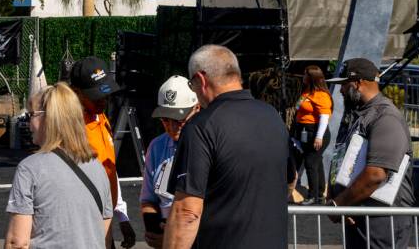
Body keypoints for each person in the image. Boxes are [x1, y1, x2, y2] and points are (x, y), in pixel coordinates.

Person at [163, 45, 288, 249]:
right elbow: (290, 181)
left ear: (201, 80)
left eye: (191, 84)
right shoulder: (272, 117)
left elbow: (187, 212)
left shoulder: (201, 126)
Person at [5, 82, 113, 248]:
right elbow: (104, 236)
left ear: (49, 118)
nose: (28, 124)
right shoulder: (98, 168)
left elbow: (17, 242)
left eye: (31, 115)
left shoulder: (29, 169)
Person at [326, 58, 414, 249]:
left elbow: (375, 175)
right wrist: (338, 198)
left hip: (382, 222)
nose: (341, 90)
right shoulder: (358, 114)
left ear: (358, 83)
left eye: (344, 84)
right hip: (360, 215)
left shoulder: (385, 117)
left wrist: (338, 205)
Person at [69, 56, 137, 248]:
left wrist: (121, 215)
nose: (103, 100)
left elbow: (109, 169)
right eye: (96, 95)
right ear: (76, 93)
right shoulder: (72, 129)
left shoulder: (101, 117)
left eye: (106, 93)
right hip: (83, 230)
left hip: (103, 223)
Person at [140, 76, 199, 249]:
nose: (172, 127)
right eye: (165, 120)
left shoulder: (211, 145)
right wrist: (155, 232)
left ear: (197, 109)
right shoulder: (157, 147)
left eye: (179, 120)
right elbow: (148, 199)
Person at [292, 65, 333, 204]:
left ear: (312, 78)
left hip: (315, 133)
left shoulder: (321, 95)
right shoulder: (307, 93)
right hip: (305, 132)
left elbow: (324, 117)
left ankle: (313, 196)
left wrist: (319, 136)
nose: (303, 77)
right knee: (317, 162)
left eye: (305, 75)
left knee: (310, 163)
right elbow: (298, 109)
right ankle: (320, 192)